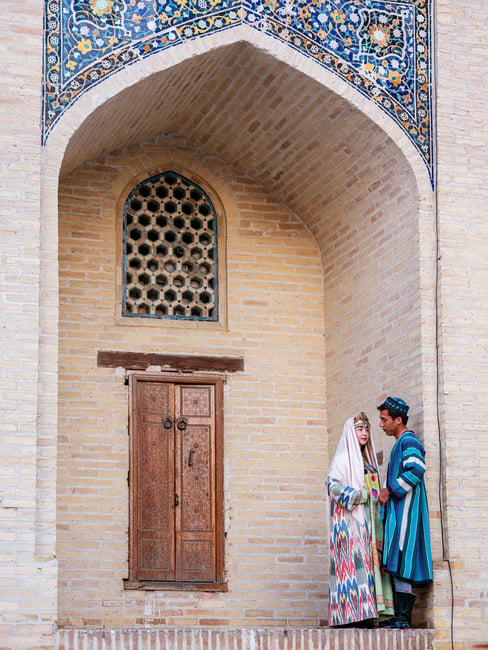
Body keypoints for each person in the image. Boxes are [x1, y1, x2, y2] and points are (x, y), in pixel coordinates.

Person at [327, 412, 394, 627]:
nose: (364, 433)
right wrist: (359, 495)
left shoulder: (370, 464)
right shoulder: (341, 460)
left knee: (371, 568)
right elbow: (332, 487)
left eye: (367, 429)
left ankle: (371, 613)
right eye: (360, 429)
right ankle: (349, 616)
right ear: (350, 432)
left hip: (372, 525)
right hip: (349, 525)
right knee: (352, 569)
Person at [377, 396, 433, 629]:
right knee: (399, 560)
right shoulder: (401, 442)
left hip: (407, 513)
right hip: (399, 512)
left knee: (402, 559)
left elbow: (417, 469)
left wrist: (390, 490)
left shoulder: (408, 441)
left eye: (384, 419)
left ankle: (402, 619)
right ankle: (400, 618)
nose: (381, 424)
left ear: (398, 420)